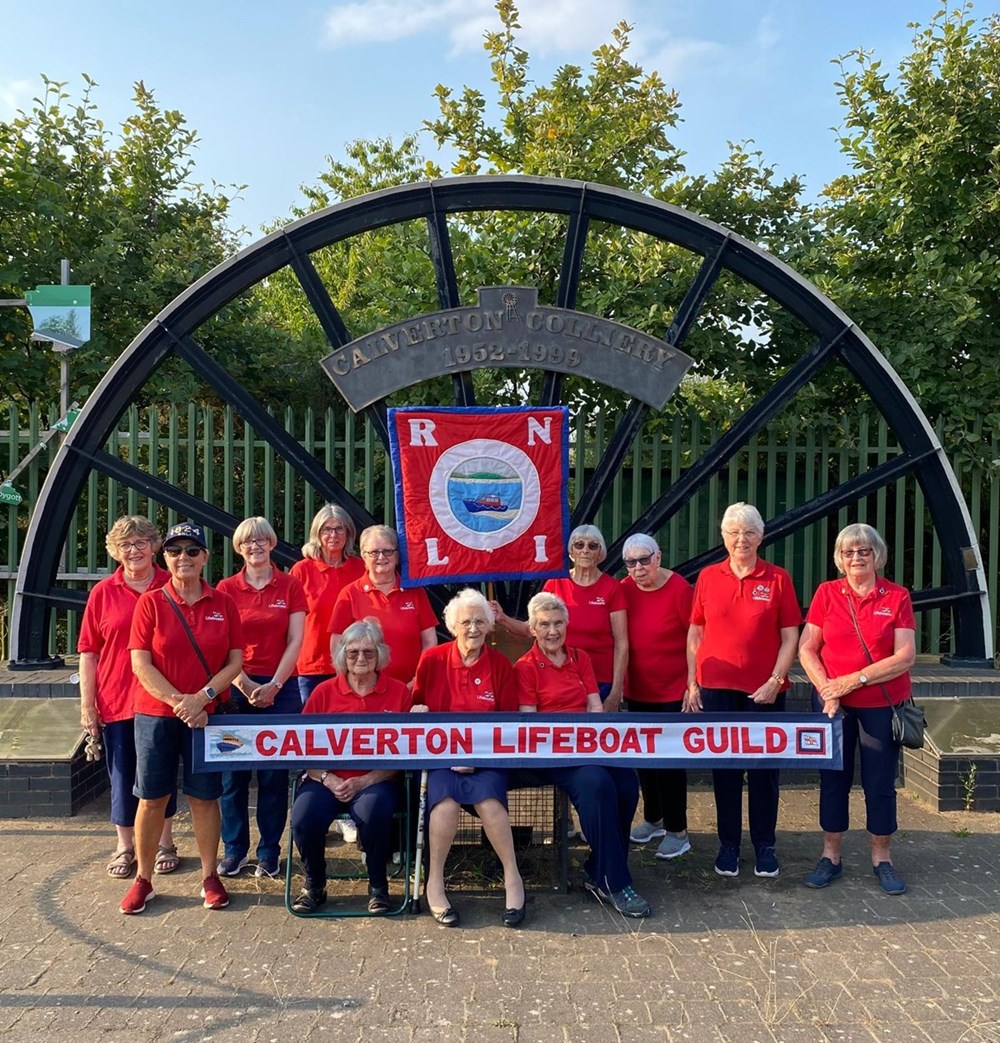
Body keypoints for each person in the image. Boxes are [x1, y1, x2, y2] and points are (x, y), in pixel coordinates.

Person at [120, 521, 243, 915]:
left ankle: (210, 877)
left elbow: (236, 660)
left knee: (205, 798)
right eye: (175, 551)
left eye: (192, 550)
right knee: (151, 799)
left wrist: (203, 698)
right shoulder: (151, 603)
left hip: (207, 716)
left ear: (206, 557)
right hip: (157, 715)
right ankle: (144, 880)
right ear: (165, 557)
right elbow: (140, 662)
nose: (183, 558)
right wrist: (182, 703)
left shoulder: (223, 603)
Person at [515, 592, 650, 918]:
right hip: (551, 755)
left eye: (558, 622)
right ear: (533, 629)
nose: (552, 631)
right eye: (544, 624)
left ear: (567, 624)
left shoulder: (580, 657)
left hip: (587, 746)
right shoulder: (526, 667)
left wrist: (596, 742)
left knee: (627, 782)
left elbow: (594, 706)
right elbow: (530, 723)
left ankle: (597, 867)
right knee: (597, 783)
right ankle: (614, 882)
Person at [798, 523, 916, 895]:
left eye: (863, 551)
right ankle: (830, 855)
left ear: (876, 555)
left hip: (881, 705)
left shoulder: (896, 597)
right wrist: (827, 689)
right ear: (840, 558)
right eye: (849, 552)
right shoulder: (827, 594)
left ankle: (883, 858)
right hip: (834, 705)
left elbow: (905, 656)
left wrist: (853, 680)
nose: (856, 558)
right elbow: (807, 648)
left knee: (880, 783)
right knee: (833, 780)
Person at [685, 502, 801, 879]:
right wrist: (692, 681)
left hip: (763, 691)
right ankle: (729, 845)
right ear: (723, 537)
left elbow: (790, 637)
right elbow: (696, 633)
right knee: (725, 771)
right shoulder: (707, 577)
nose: (741, 539)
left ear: (761, 537)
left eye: (749, 532)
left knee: (765, 771)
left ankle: (765, 846)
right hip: (717, 688)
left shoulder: (778, 578)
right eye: (734, 532)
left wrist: (775, 680)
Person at [412, 589, 526, 928]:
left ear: (489, 626)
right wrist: (418, 710)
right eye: (466, 622)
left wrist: (477, 757)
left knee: (491, 806)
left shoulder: (501, 665)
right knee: (444, 807)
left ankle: (512, 878)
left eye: (479, 621)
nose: (473, 628)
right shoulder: (432, 660)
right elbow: (420, 709)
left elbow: (508, 725)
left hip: (487, 758)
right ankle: (434, 882)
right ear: (453, 626)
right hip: (442, 759)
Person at [77, 516, 180, 878]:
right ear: (114, 551)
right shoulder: (103, 593)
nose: (133, 550)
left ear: (154, 547)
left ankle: (165, 841)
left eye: (140, 543)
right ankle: (125, 845)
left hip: (162, 699)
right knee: (122, 777)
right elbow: (88, 652)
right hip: (118, 696)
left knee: (160, 774)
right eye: (125, 545)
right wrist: (87, 705)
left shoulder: (175, 585)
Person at [290, 620, 411, 914]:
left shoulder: (398, 693)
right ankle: (314, 885)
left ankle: (378, 886)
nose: (360, 659)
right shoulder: (322, 693)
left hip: (377, 780)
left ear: (380, 655)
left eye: (368, 653)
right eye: (353, 652)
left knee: (374, 813)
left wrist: (365, 781)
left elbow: (407, 753)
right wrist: (328, 779)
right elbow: (299, 747)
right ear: (342, 655)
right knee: (303, 817)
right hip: (325, 779)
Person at [215, 517, 307, 879]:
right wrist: (244, 684)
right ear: (239, 548)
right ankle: (234, 849)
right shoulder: (225, 589)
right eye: (246, 542)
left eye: (261, 540)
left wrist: (274, 686)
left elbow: (296, 640)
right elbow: (221, 644)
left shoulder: (291, 585)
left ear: (271, 544)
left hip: (281, 688)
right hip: (236, 687)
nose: (254, 547)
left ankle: (269, 851)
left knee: (273, 776)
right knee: (232, 775)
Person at [492, 524, 627, 709]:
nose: (585, 550)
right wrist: (502, 618)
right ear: (571, 551)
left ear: (600, 552)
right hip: (559, 678)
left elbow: (622, 643)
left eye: (592, 546)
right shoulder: (555, 583)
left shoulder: (612, 588)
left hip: (602, 679)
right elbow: (531, 628)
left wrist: (617, 690)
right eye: (579, 545)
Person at [619, 533, 694, 860]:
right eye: (630, 563)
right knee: (645, 761)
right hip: (638, 689)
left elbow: (696, 638)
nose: (637, 568)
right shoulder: (623, 590)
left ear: (659, 557)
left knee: (670, 763)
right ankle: (654, 819)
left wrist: (693, 683)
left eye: (644, 560)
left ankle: (679, 830)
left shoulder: (680, 589)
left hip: (672, 690)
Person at [329, 524, 437, 689]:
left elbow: (429, 641)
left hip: (410, 688)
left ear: (397, 555)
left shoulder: (415, 592)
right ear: (364, 557)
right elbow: (337, 644)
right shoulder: (350, 594)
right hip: (364, 690)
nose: (381, 557)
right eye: (374, 552)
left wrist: (418, 680)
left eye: (387, 551)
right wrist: (349, 685)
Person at [289, 505, 365, 705]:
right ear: (317, 533)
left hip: (354, 663)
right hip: (310, 666)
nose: (333, 535)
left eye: (339, 528)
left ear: (348, 533)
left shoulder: (361, 568)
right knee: (310, 729)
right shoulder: (302, 570)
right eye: (327, 529)